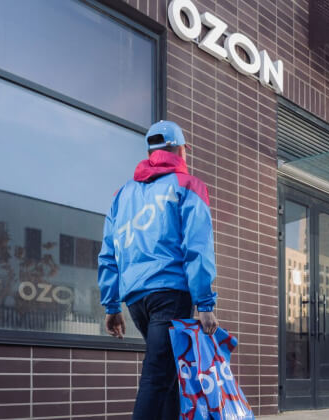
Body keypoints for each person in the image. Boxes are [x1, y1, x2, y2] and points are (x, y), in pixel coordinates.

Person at [97, 120, 219, 420]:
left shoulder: (122, 195)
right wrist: (205, 304)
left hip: (136, 300)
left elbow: (108, 253)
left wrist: (112, 305)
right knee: (157, 376)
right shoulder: (188, 185)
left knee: (168, 375)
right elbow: (198, 247)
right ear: (180, 150)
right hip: (170, 295)